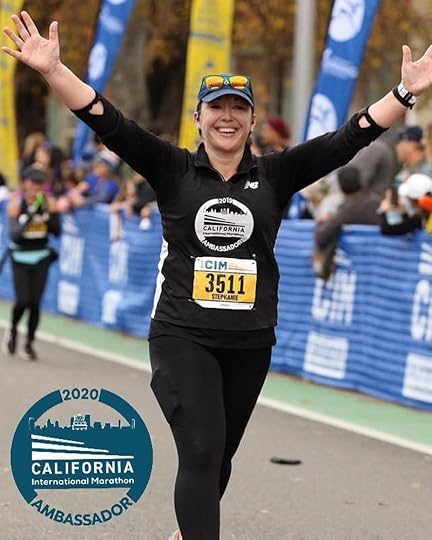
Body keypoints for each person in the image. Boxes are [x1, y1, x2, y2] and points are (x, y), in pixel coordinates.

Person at [4, 10, 432, 539]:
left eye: (238, 108)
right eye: (216, 107)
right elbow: (105, 118)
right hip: (181, 334)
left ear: (251, 121)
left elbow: (349, 138)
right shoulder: (172, 168)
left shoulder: (277, 174)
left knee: (219, 456)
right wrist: (53, 70)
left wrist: (404, 94)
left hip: (249, 341)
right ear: (198, 117)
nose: (227, 117)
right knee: (202, 451)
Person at [2, 165, 60, 360]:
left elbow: (56, 231)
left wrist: (49, 214)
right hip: (21, 258)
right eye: (32, 183)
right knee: (23, 301)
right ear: (25, 184)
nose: (36, 187)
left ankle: (29, 344)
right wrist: (31, 214)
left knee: (35, 303)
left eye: (39, 183)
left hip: (41, 257)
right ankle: (12, 331)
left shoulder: (49, 203)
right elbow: (15, 235)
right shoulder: (15, 205)